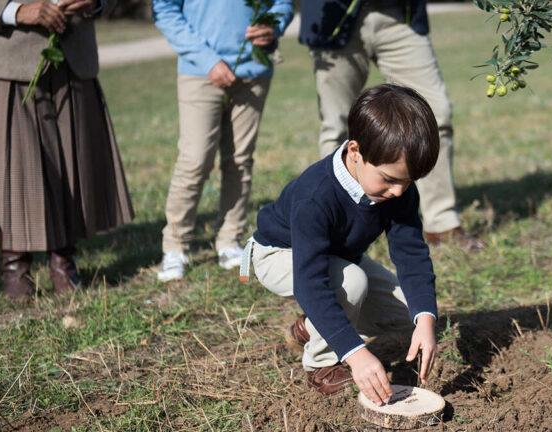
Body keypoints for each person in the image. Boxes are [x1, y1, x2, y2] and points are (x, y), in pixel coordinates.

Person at [244, 85, 438, 405]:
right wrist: (355, 353)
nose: (400, 191)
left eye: (408, 182)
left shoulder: (397, 190)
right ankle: (322, 364)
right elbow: (310, 282)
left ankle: (312, 326)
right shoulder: (315, 197)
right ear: (355, 151)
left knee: (410, 311)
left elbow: (411, 254)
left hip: (337, 258)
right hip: (280, 254)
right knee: (351, 282)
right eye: (389, 179)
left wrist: (426, 320)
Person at [298, 0, 485, 251]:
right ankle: (337, 226)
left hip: (400, 14)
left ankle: (442, 223)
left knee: (434, 117)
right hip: (334, 17)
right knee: (337, 127)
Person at [0, 0, 134, 300]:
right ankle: (16, 271)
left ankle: (64, 265)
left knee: (72, 160)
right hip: (8, 59)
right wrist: (14, 10)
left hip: (74, 57)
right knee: (12, 168)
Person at [152, 0, 294, 281]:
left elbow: (283, 3)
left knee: (240, 159)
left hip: (253, 71)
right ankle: (175, 248)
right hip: (200, 70)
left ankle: (229, 240)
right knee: (195, 160)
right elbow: (165, 10)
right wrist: (208, 60)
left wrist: (273, 25)